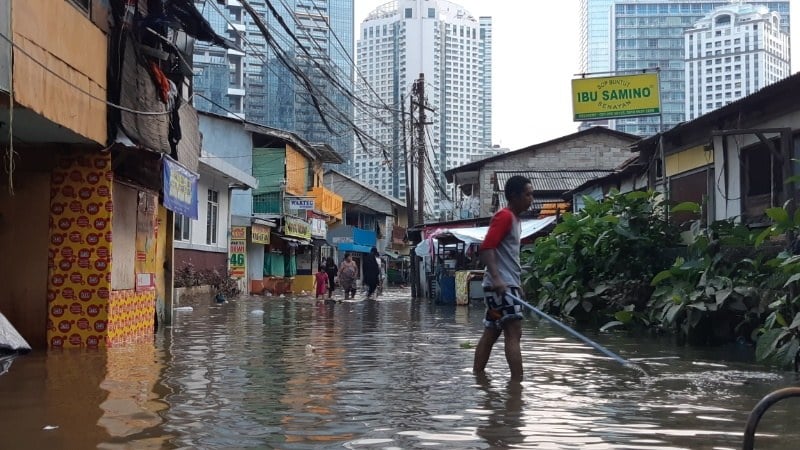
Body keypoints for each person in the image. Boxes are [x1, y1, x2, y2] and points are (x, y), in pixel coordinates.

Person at [473, 175, 534, 381]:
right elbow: (487, 247)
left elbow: (508, 257)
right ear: (514, 196)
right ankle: (517, 387)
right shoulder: (505, 216)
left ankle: (478, 377)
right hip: (501, 287)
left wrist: (518, 285)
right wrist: (499, 279)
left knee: (491, 332)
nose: (531, 199)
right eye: (527, 195)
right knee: (513, 333)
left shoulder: (516, 220)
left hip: (505, 287)